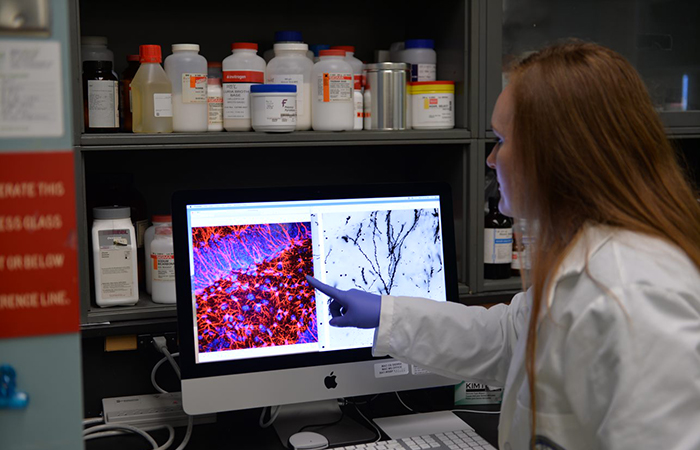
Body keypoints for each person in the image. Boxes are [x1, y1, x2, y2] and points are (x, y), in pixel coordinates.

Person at [306, 41, 700, 450]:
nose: (492, 160)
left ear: (557, 155)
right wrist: (385, 314)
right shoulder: (585, 260)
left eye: (501, 139)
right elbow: (505, 338)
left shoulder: (635, 293)